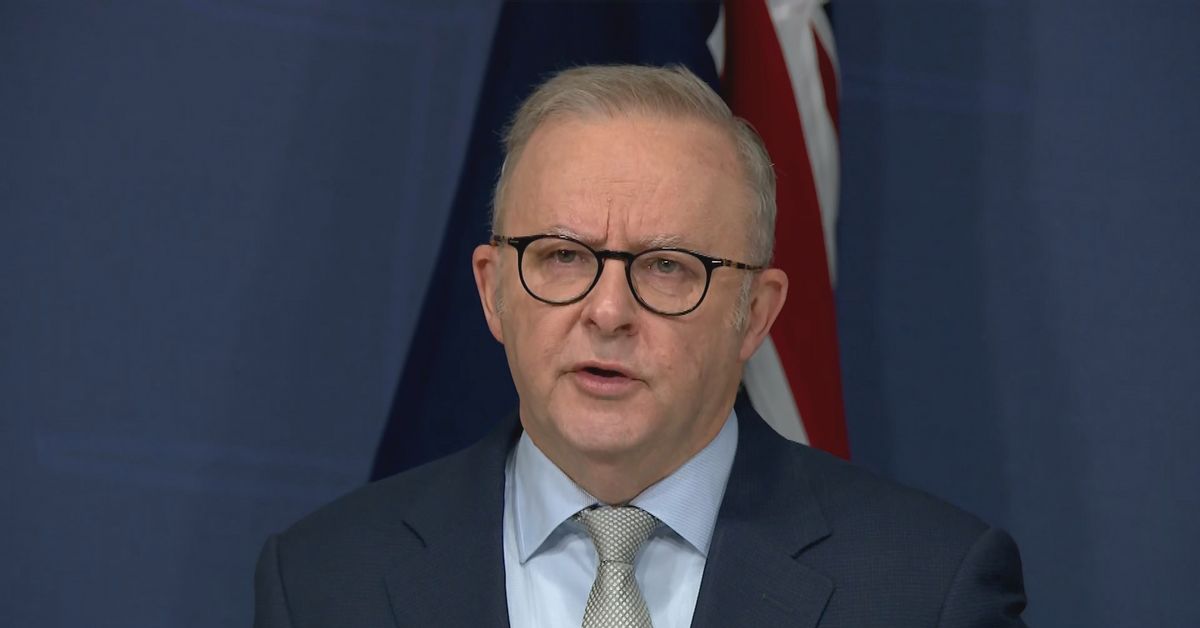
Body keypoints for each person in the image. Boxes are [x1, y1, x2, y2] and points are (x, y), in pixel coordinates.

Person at [254, 64, 1027, 628]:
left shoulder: (926, 592)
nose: (608, 312)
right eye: (563, 256)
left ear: (755, 316)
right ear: (493, 291)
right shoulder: (325, 582)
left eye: (667, 266)